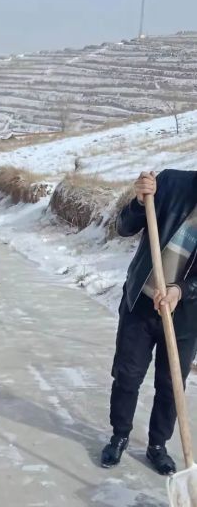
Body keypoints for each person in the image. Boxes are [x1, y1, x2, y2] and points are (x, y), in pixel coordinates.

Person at [101, 168, 197, 474]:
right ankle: (119, 435)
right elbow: (124, 227)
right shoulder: (170, 183)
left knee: (171, 385)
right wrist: (140, 202)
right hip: (140, 302)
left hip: (185, 314)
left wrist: (180, 290)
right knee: (127, 375)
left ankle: (157, 445)